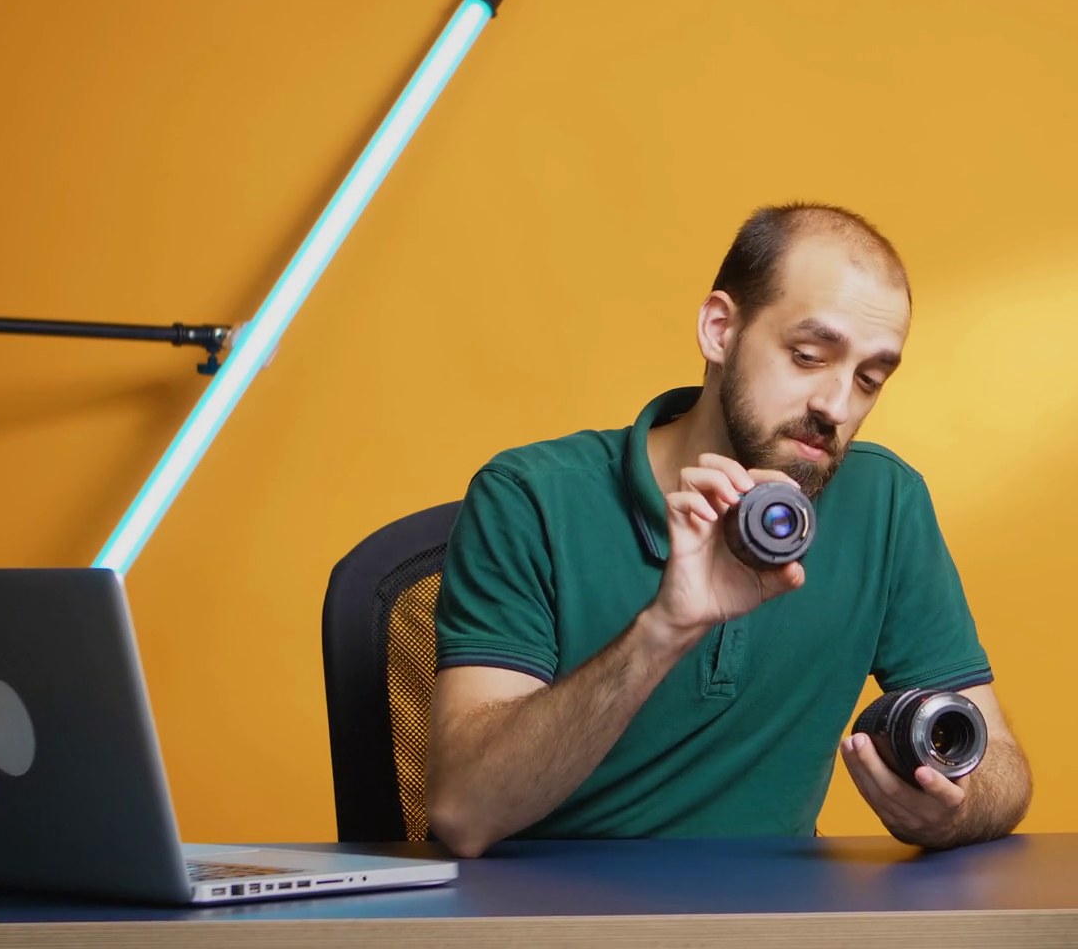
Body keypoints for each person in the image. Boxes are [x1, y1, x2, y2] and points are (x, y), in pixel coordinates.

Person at [423, 203, 1032, 858]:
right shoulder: (531, 497)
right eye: (808, 356)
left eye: (869, 378)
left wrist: (950, 812)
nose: (836, 406)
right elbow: (464, 812)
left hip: (779, 910)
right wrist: (665, 630)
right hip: (549, 909)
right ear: (720, 330)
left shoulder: (884, 500)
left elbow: (1001, 768)